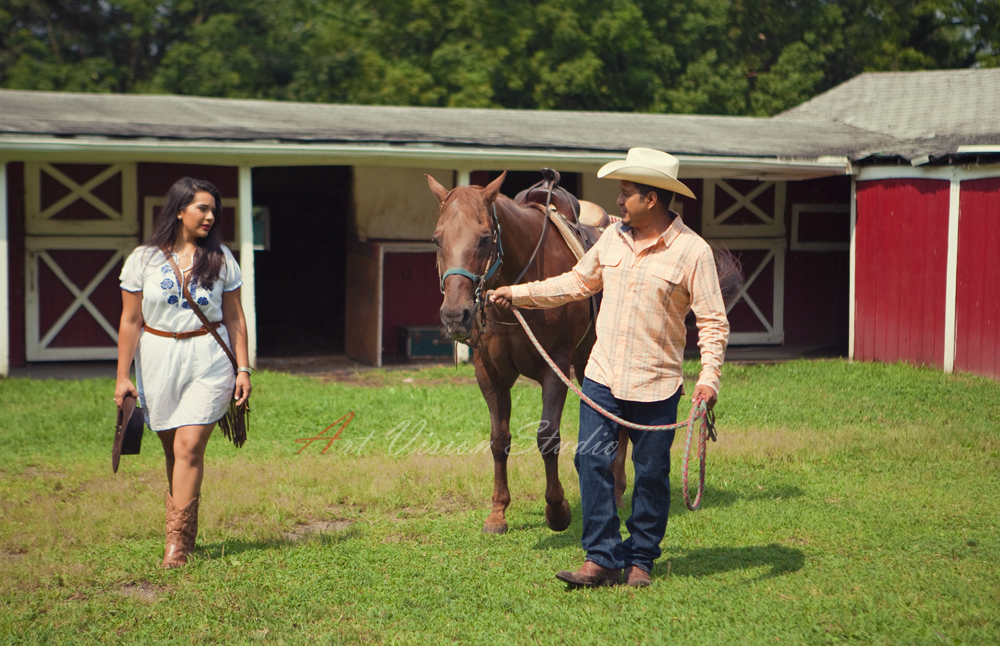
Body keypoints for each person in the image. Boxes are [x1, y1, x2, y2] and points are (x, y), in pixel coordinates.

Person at [489, 148, 729, 588]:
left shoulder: (692, 252)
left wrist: (708, 378)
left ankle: (640, 560)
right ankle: (601, 556)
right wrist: (518, 293)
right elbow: (577, 283)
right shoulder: (612, 239)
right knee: (589, 461)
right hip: (603, 376)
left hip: (657, 384)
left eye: (627, 194)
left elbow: (713, 322)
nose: (618, 202)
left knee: (651, 476)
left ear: (651, 199)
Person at [114, 177, 252, 568]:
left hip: (209, 358)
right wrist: (123, 377)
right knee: (173, 449)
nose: (210, 216)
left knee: (189, 447)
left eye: (213, 210)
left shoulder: (222, 258)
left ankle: (178, 544)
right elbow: (129, 320)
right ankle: (181, 528)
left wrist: (242, 368)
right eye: (202, 208)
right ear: (179, 211)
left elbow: (235, 317)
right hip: (157, 357)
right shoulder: (143, 259)